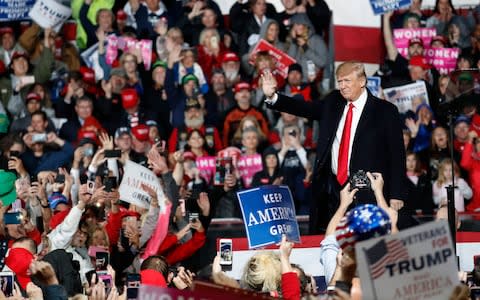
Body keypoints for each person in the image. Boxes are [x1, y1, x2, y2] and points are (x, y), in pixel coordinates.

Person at [262, 61, 406, 233]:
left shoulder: (385, 111)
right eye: (339, 82)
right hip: (332, 189)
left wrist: (397, 193)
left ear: (362, 81)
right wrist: (274, 97)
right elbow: (305, 108)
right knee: (329, 241)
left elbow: (397, 155)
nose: (342, 86)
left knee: (366, 244)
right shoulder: (333, 101)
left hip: (367, 193)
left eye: (347, 81)